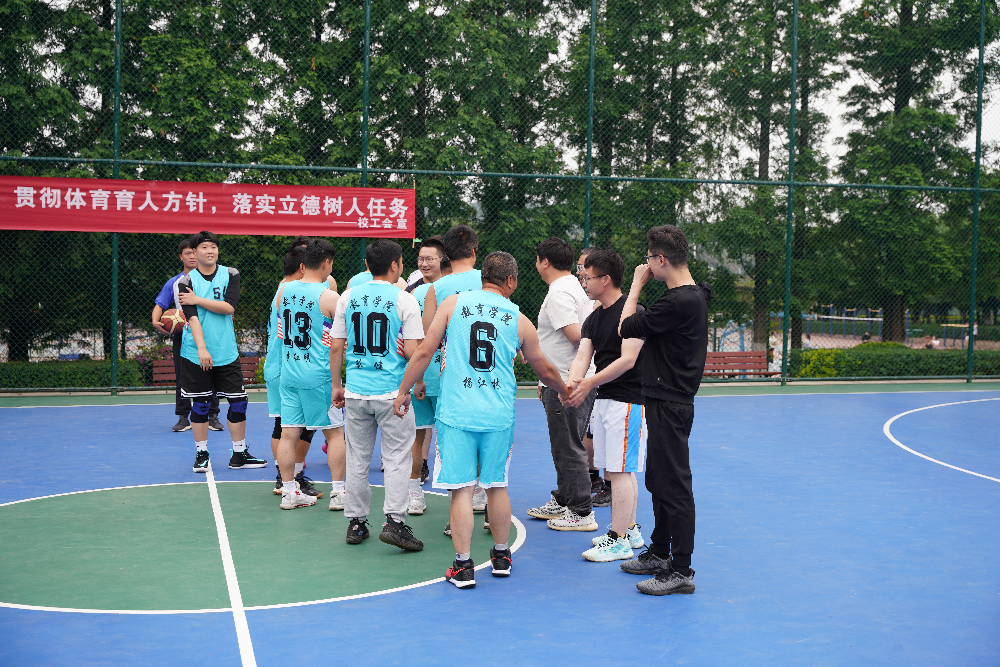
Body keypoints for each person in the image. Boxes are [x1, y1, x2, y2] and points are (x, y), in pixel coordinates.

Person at [393, 252, 570, 589]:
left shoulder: (453, 304)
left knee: (461, 490)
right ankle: (501, 556)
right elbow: (544, 368)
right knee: (496, 486)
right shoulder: (519, 319)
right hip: (497, 414)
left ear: (482, 276)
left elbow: (425, 351)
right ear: (511, 281)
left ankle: (463, 566)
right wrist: (565, 391)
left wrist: (403, 391)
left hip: (456, 413)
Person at [617, 224, 712, 596]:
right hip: (665, 401)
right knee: (658, 480)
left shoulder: (676, 302)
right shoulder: (690, 296)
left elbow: (625, 326)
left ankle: (681, 570)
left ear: (660, 259)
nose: (646, 265)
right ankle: (659, 552)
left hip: (671, 403)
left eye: (648, 259)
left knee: (675, 485)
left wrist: (636, 286)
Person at [330, 239, 425, 551]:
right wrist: (416, 382)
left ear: (367, 265)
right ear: (396, 265)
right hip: (392, 392)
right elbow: (412, 351)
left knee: (358, 457)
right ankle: (395, 522)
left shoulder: (347, 297)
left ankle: (356, 523)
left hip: (356, 391)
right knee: (396, 457)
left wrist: (337, 385)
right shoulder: (405, 300)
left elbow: (336, 346)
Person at [565, 249, 647, 562]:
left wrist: (589, 383)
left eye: (587, 277)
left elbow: (628, 360)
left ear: (606, 279)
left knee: (620, 471)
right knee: (617, 470)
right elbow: (582, 356)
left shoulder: (634, 311)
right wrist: (572, 383)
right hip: (605, 400)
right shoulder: (593, 318)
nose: (583, 283)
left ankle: (618, 540)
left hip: (628, 401)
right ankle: (630, 530)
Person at [176, 231, 267, 473]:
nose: (210, 251)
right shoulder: (185, 282)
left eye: (213, 247)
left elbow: (228, 307)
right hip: (196, 353)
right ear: (194, 252)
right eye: (204, 247)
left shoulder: (231, 274)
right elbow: (192, 318)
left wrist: (198, 299)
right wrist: (202, 349)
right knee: (201, 404)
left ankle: (239, 454)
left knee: (239, 402)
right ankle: (202, 454)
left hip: (226, 351)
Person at [263, 242, 344, 502]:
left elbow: (281, 332)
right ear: (326, 263)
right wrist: (337, 383)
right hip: (318, 375)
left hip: (289, 373)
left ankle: (289, 491)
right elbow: (340, 343)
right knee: (335, 434)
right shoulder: (330, 297)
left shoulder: (283, 291)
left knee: (288, 434)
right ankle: (339, 493)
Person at [527, 237, 598, 532]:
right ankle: (565, 498)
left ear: (545, 262)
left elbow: (577, 337)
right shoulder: (570, 287)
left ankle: (581, 511)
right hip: (564, 379)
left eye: (537, 260)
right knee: (563, 442)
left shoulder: (559, 293)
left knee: (568, 444)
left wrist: (559, 381)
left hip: (568, 381)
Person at [152, 238, 221, 432]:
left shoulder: (212, 279)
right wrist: (155, 321)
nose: (192, 256)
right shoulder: (174, 282)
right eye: (187, 253)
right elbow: (159, 304)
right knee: (182, 375)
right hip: (183, 335)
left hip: (208, 332)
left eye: (194, 252)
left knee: (210, 373)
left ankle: (212, 416)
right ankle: (183, 417)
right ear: (180, 257)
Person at [405, 237, 450, 515]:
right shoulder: (412, 295)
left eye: (430, 258)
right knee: (417, 436)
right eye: (421, 259)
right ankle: (414, 492)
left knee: (445, 439)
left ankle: (458, 496)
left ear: (443, 259)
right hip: (422, 376)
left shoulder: (450, 292)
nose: (424, 263)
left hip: (444, 377)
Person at [576, 246, 608, 506]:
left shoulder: (607, 305)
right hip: (587, 376)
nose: (581, 273)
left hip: (603, 381)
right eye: (579, 268)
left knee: (602, 432)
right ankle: (594, 478)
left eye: (585, 269)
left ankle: (609, 483)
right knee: (590, 431)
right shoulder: (582, 297)